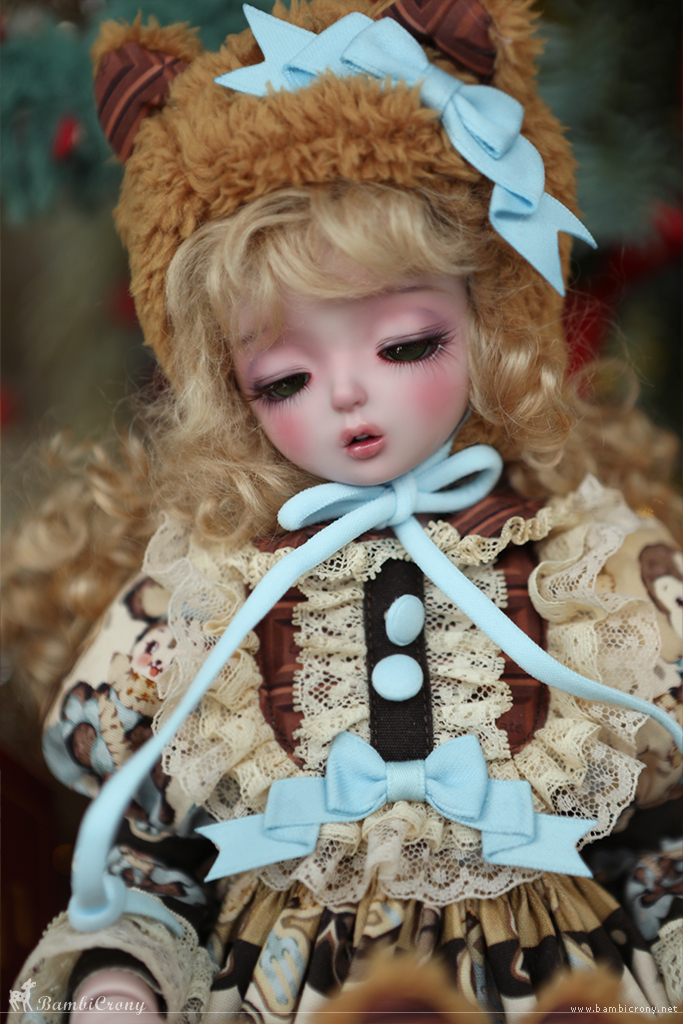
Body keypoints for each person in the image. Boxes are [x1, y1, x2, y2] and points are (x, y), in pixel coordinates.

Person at [5, 1, 681, 1020]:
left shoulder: (583, 571)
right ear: (227, 391)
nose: (348, 397)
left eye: (406, 345)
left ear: (492, 318)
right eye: (284, 380)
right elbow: (154, 860)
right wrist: (119, 975)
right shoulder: (209, 593)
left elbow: (655, 839)